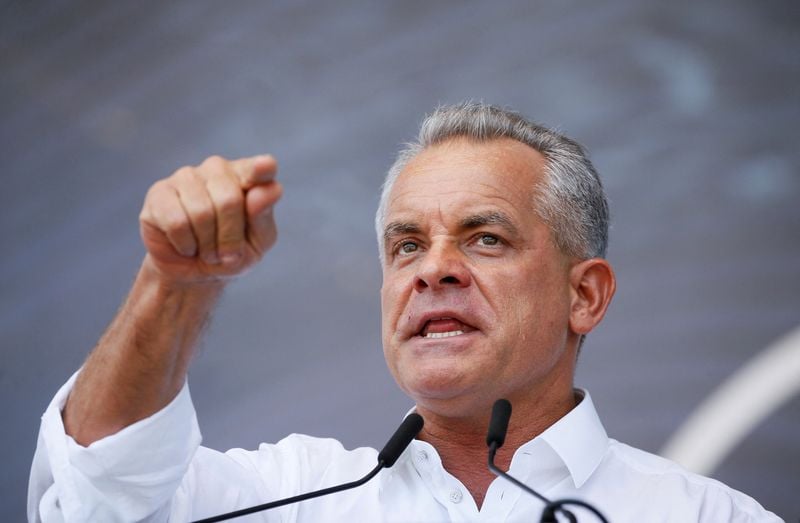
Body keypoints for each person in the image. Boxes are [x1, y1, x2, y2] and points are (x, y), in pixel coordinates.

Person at [28, 103, 781, 522]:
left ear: (584, 295)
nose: (433, 269)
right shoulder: (289, 497)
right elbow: (98, 501)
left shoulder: (707, 517)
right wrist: (174, 282)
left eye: (485, 238)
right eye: (407, 244)